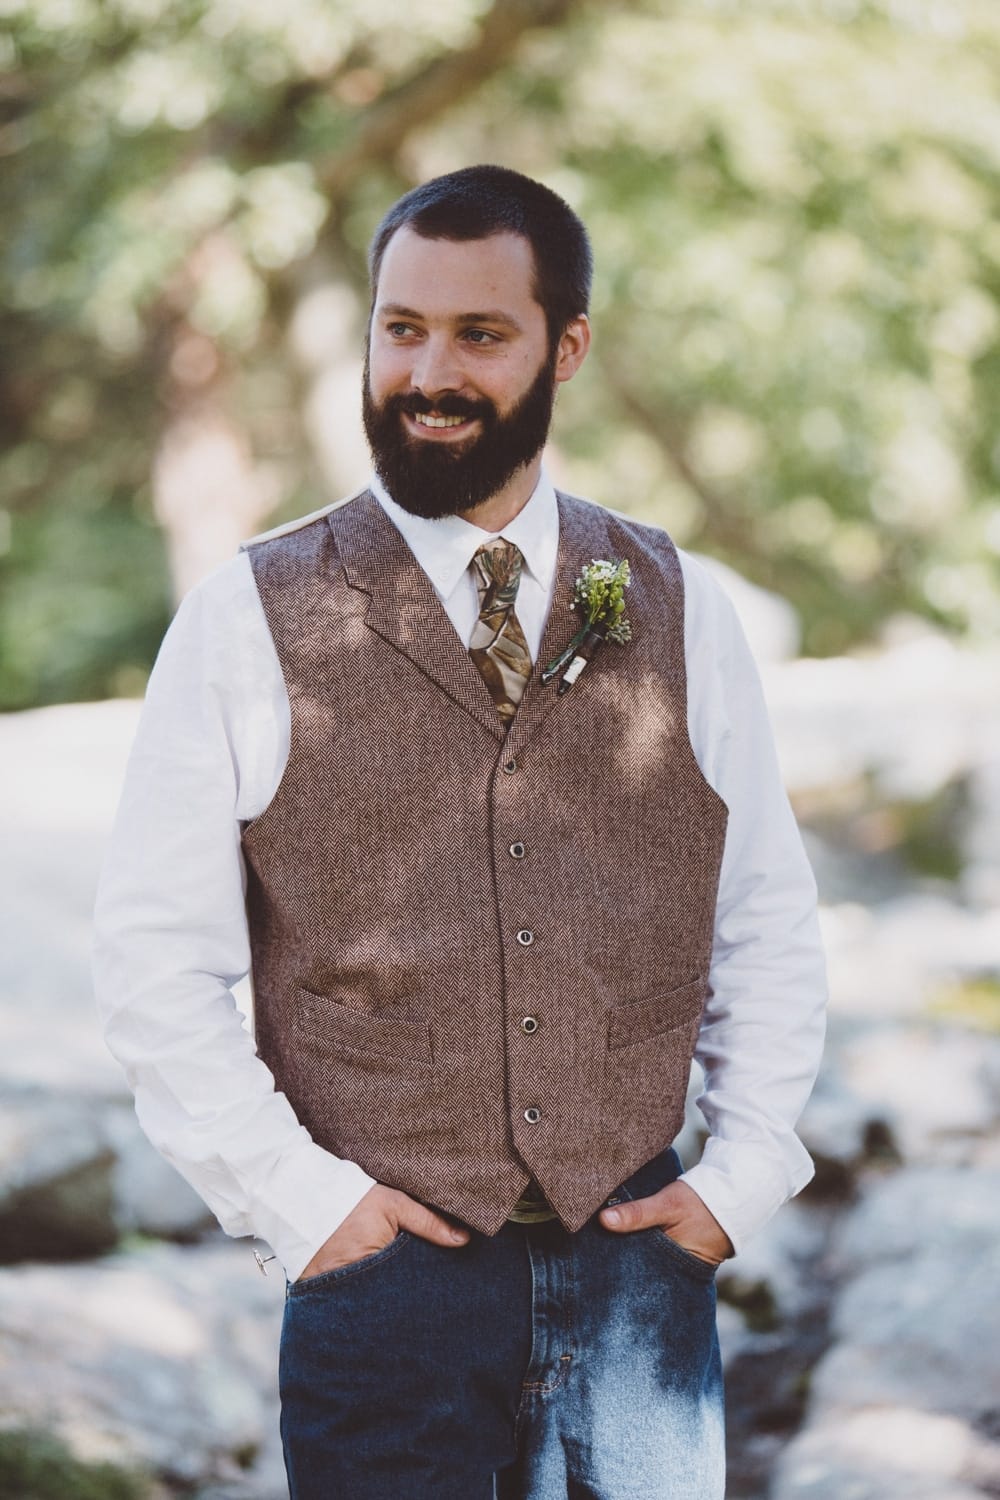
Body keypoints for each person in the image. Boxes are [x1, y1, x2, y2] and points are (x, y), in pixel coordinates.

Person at [93, 163, 826, 1500]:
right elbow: (154, 964)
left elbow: (764, 916)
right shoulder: (248, 616)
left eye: (480, 335)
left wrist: (744, 1176)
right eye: (402, 329)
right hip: (385, 1293)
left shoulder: (677, 603)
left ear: (567, 348)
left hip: (638, 1291)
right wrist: (305, 1205)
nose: (429, 374)